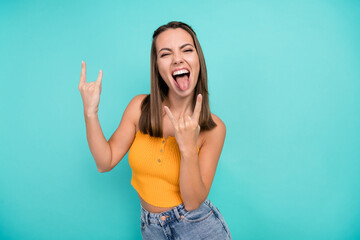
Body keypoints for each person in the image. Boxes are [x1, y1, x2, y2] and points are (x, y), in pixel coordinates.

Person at [78, 21, 232, 240]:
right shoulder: (139, 108)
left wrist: (188, 149)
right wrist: (90, 113)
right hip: (152, 229)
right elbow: (105, 162)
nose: (178, 58)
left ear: (198, 60)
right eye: (166, 54)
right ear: (157, 67)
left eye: (187, 50)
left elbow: (192, 201)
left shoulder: (214, 129)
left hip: (198, 229)